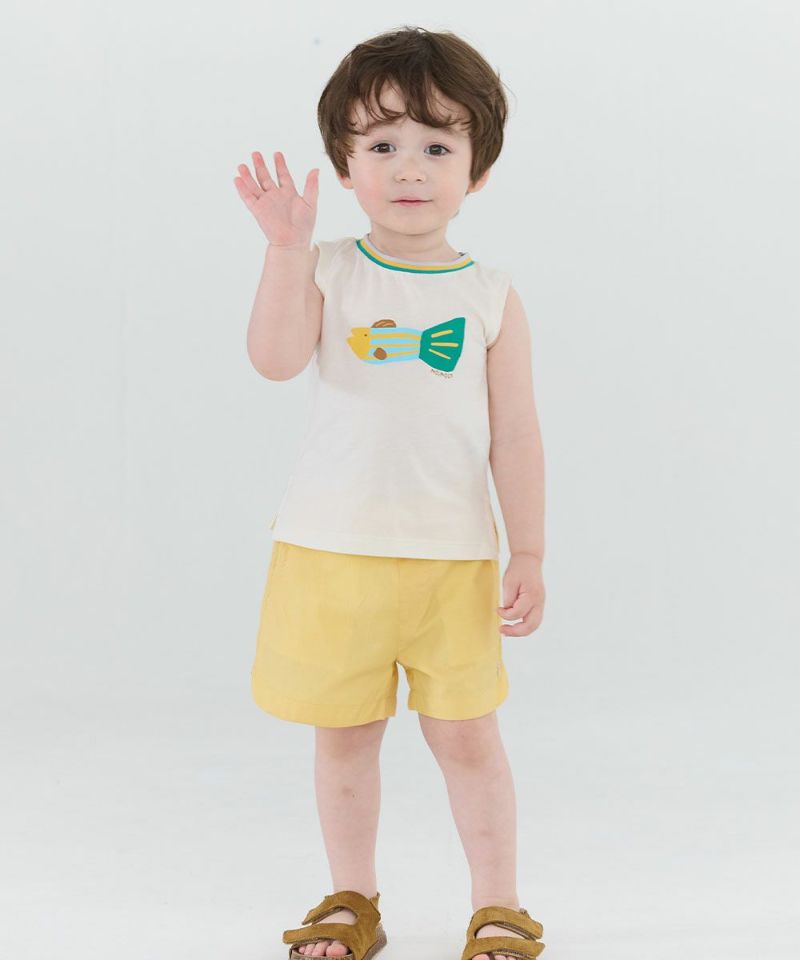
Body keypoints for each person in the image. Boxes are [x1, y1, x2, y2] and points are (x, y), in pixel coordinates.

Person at [233, 25, 547, 960]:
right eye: (382, 144)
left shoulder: (491, 294)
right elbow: (273, 360)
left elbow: (518, 434)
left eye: (438, 146)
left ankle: (499, 904)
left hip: (454, 561)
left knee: (470, 741)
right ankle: (350, 897)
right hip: (331, 553)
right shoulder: (327, 267)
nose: (409, 167)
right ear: (344, 164)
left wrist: (528, 549)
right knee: (344, 741)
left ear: (478, 170)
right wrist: (285, 251)